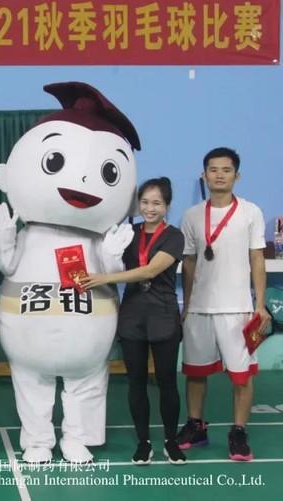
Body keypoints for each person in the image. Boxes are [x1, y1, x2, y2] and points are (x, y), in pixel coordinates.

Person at [80, 177, 187, 466]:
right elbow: (108, 257)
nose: (150, 208)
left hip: (163, 316)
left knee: (167, 382)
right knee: (136, 382)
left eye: (157, 203)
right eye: (145, 202)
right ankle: (143, 442)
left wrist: (105, 279)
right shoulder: (128, 233)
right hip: (132, 316)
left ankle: (171, 441)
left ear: (167, 206)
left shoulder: (174, 236)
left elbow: (150, 270)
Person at [175, 147, 271, 461]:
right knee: (195, 373)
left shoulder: (250, 212)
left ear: (236, 176)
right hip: (200, 309)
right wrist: (187, 305)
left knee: (242, 376)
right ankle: (195, 426)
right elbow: (189, 262)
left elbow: (257, 258)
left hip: (237, 309)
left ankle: (238, 432)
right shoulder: (191, 215)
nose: (219, 175)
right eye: (213, 169)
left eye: (226, 170)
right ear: (204, 175)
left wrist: (259, 304)